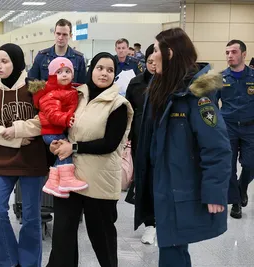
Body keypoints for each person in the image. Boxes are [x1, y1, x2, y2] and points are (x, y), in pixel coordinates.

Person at [134, 28, 232, 267]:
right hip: (157, 181)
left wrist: (214, 192)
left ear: (169, 53)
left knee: (172, 248)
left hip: (179, 185)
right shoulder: (158, 88)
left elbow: (217, 148)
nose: (151, 54)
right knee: (171, 246)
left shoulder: (196, 96)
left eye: (156, 49)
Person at [46, 52, 134, 267]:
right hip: (70, 176)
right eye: (100, 68)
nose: (104, 73)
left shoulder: (118, 104)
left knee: (101, 237)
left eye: (110, 70)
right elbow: (59, 124)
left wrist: (73, 147)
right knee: (62, 237)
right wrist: (55, 143)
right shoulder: (76, 95)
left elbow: (110, 144)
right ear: (91, 69)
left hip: (99, 180)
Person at [0, 43, 48, 267]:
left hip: (33, 161)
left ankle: (29, 263)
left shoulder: (35, 87)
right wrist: (17, 137)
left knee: (30, 218)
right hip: (3, 160)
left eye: (5, 61)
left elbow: (45, 121)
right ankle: (9, 261)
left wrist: (19, 129)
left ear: (17, 63)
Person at [28, 57, 88, 198]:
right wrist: (66, 119)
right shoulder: (51, 93)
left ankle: (53, 182)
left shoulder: (69, 90)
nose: (65, 74)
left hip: (56, 130)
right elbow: (52, 114)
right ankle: (67, 180)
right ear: (52, 76)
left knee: (62, 153)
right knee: (65, 152)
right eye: (59, 72)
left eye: (68, 71)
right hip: (52, 132)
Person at [218, 40, 254, 219]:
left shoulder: (253, 77)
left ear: (244, 55)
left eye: (233, 52)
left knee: (250, 164)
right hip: (228, 128)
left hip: (250, 128)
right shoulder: (220, 78)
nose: (229, 56)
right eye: (227, 52)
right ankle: (236, 202)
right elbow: (209, 105)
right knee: (229, 167)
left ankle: (242, 188)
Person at [125, 43, 156, 245]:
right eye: (150, 61)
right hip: (140, 141)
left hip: (164, 142)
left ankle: (162, 220)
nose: (153, 65)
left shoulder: (173, 85)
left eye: (157, 61)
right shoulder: (136, 84)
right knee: (145, 181)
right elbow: (128, 113)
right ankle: (150, 224)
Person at [28, 19, 87, 83]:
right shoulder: (41, 57)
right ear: (54, 34)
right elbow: (32, 81)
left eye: (64, 34)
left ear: (70, 36)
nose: (60, 37)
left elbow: (82, 85)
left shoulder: (78, 59)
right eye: (58, 34)